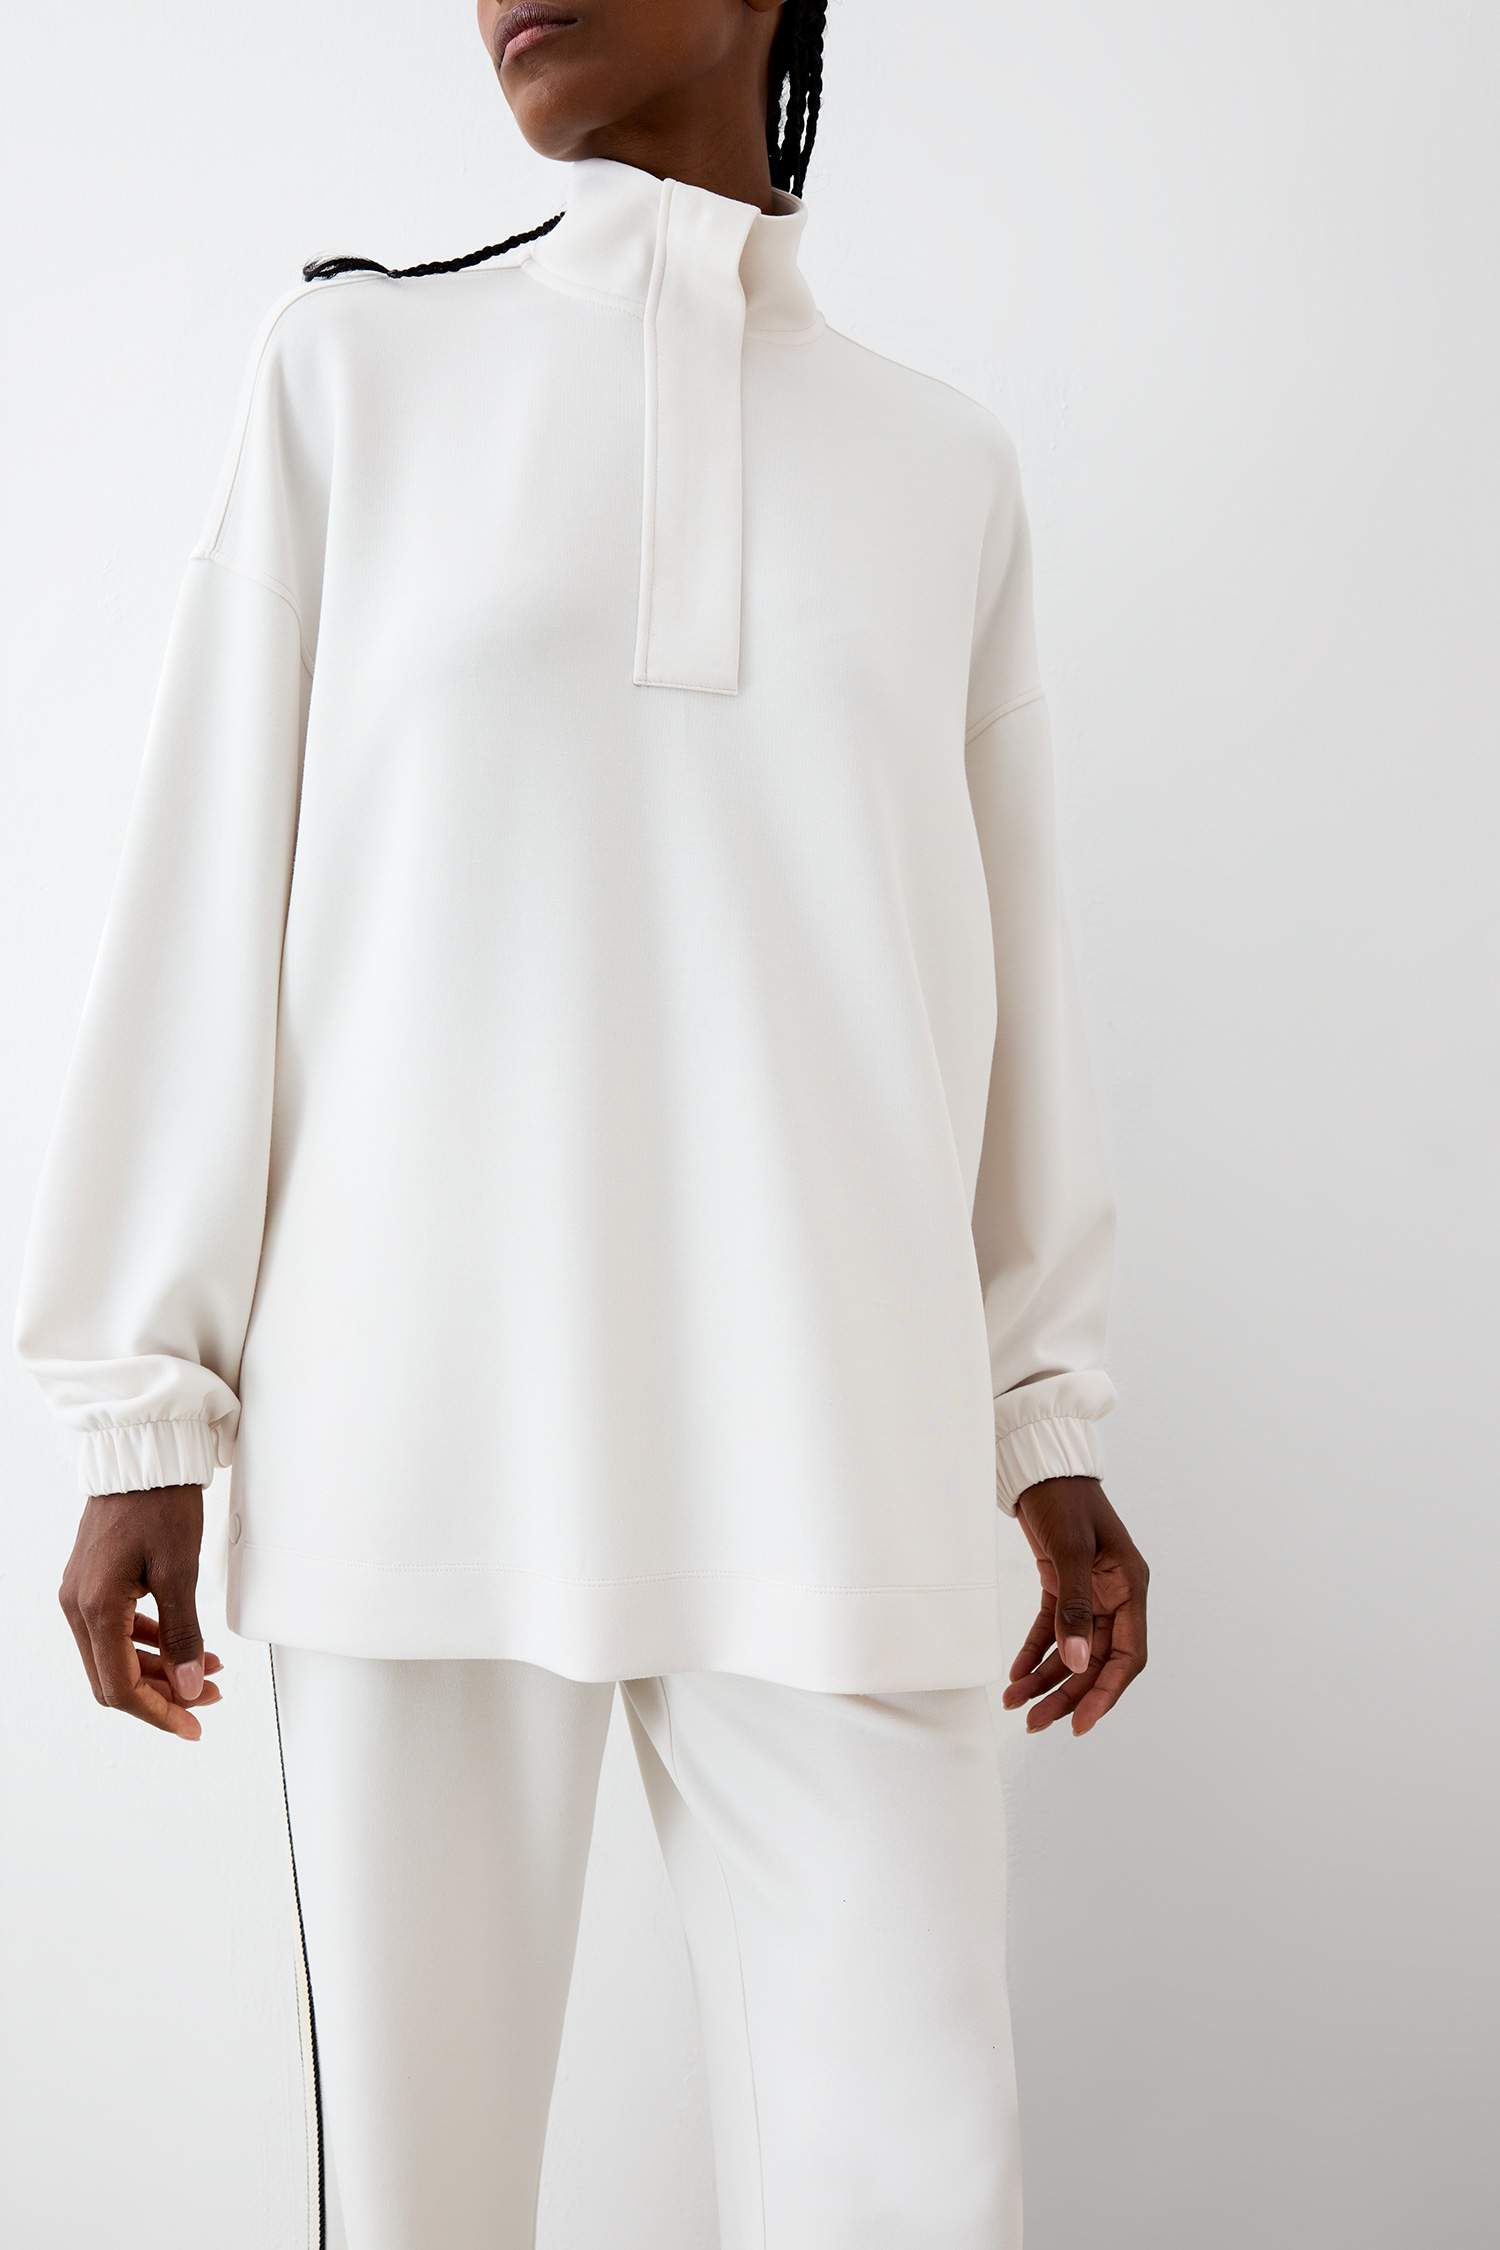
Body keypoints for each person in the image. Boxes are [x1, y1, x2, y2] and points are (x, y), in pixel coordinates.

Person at [14, 3, 1151, 2243]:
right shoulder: (350, 378)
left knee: (917, 2178)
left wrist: (1048, 1417)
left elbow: (1004, 971)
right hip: (417, 1438)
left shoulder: (941, 468)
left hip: (838, 1445)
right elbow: (204, 883)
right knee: (421, 2201)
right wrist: (145, 1412)